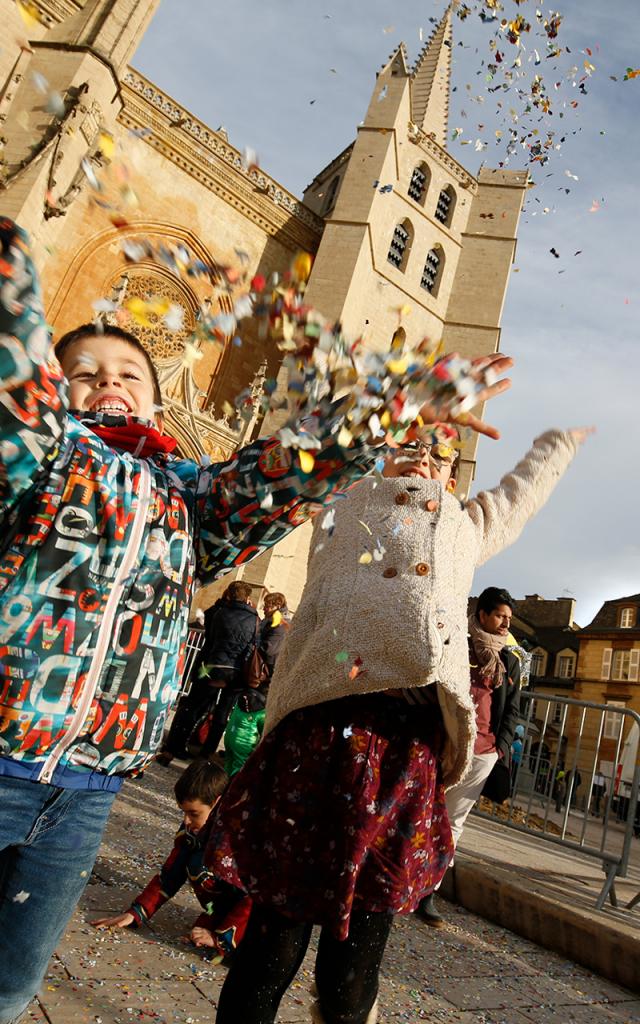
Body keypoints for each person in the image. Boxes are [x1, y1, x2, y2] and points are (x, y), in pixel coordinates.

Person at [3, 220, 513, 1023]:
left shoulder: (193, 501)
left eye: (130, 370)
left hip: (89, 783)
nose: (109, 376)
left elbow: (278, 472)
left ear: (162, 395)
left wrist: (391, 406)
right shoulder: (38, 461)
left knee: (12, 986)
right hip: (4, 754)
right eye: (82, 371)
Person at [205, 423, 589, 1024]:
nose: (422, 456)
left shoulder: (464, 525)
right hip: (318, 740)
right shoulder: (338, 505)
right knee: (274, 942)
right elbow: (302, 458)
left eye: (439, 452)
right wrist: (375, 404)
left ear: (455, 475)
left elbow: (519, 494)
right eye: (408, 442)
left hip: (403, 753)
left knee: (356, 958)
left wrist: (558, 444)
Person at [417, 587, 522, 928]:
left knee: (454, 821)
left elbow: (514, 709)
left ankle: (427, 892)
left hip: (484, 752)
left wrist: (500, 747)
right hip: (445, 743)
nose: (506, 623)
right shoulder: (457, 646)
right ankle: (400, 879)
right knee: (421, 809)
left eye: (509, 618)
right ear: (482, 615)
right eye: (500, 616)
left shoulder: (510, 660)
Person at [92, 759, 250, 956]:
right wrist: (137, 912)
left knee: (201, 867)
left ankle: (227, 933)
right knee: (194, 861)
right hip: (228, 907)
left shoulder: (237, 837)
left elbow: (253, 894)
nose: (186, 821)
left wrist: (222, 939)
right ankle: (218, 921)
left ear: (218, 803)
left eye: (194, 813)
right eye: (184, 813)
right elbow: (170, 875)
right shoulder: (191, 833)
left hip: (254, 919)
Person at [158, 581, 260, 764]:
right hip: (236, 673)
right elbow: (253, 646)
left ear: (229, 594)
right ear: (248, 598)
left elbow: (210, 638)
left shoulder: (220, 612)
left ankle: (175, 746)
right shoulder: (254, 620)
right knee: (222, 714)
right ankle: (206, 754)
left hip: (210, 667)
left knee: (195, 706)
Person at [222, 592, 290, 776]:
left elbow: (269, 652)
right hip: (262, 682)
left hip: (262, 683)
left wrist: (253, 648)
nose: (264, 608)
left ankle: (238, 772)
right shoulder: (274, 622)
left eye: (268, 604)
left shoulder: (279, 624)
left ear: (277, 605)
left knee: (247, 726)